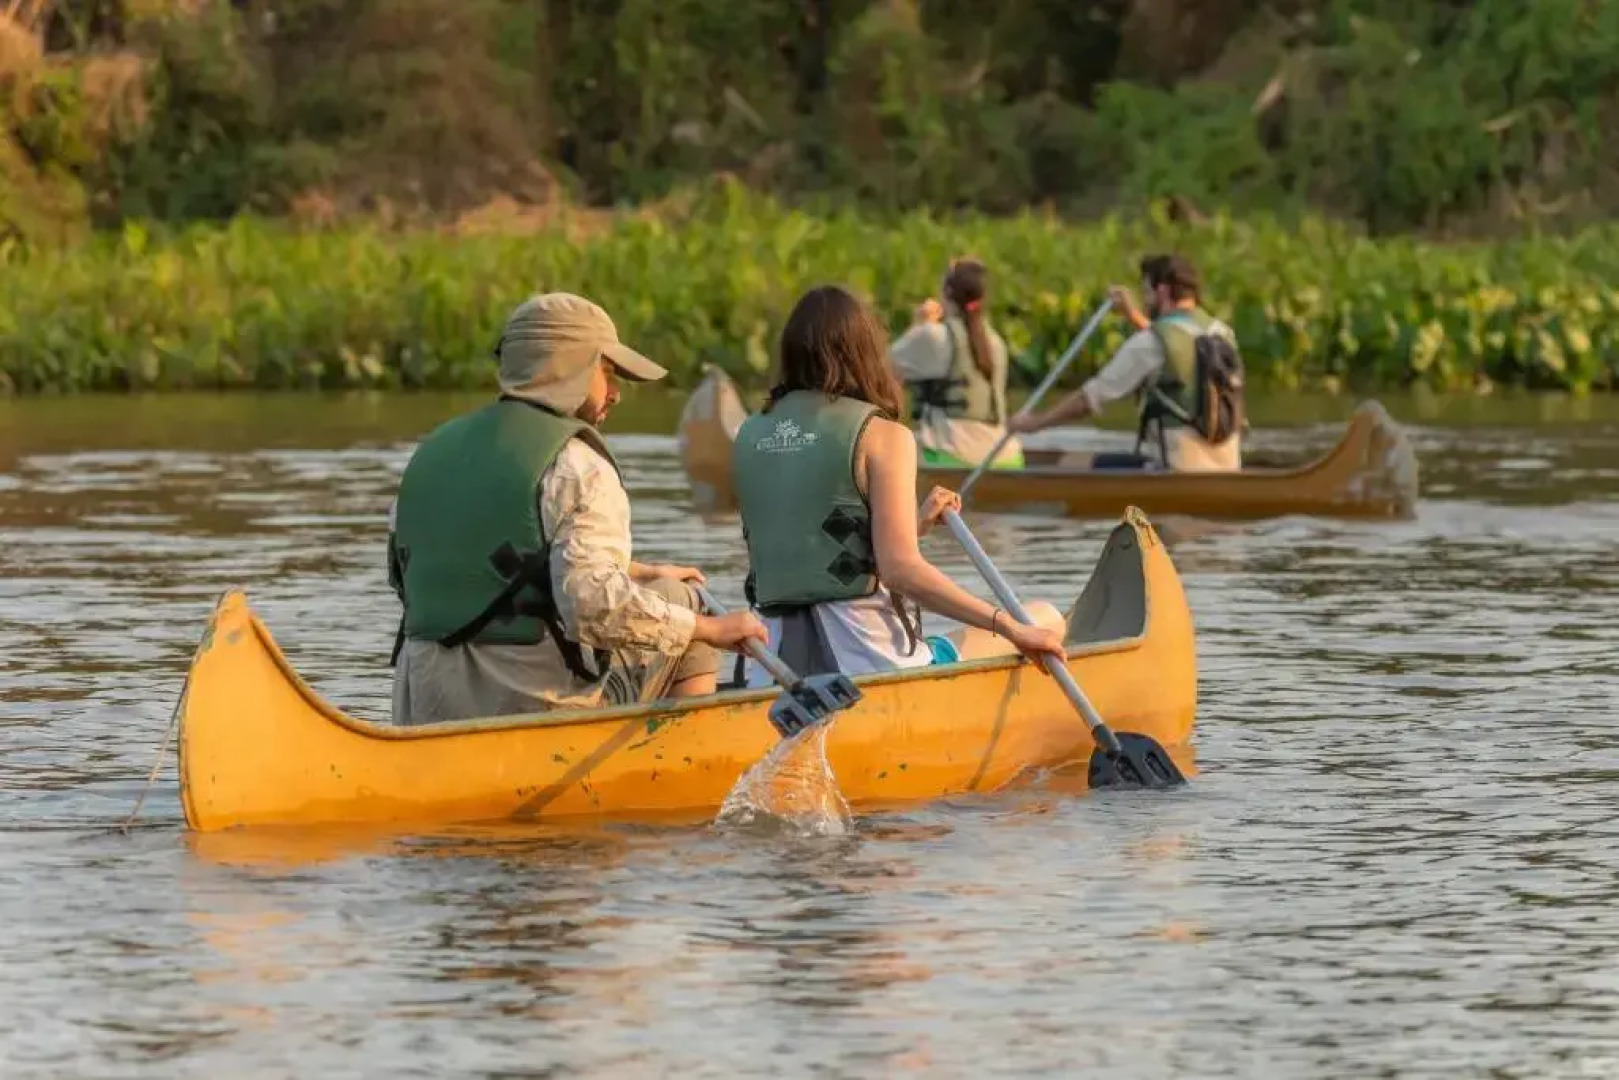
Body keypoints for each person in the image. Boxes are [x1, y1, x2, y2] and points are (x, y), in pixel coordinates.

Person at [386, 291, 767, 726]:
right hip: (530, 707)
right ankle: (678, 767)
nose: (618, 394)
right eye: (608, 372)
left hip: (425, 710)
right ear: (572, 371)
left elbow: (469, 570)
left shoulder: (432, 452)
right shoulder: (578, 464)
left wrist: (635, 571)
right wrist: (711, 631)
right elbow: (589, 604)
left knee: (663, 596)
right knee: (688, 605)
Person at [730, 284, 1068, 686]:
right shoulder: (883, 434)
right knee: (1045, 615)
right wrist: (1009, 626)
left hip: (769, 667)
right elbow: (901, 571)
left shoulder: (748, 435)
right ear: (865, 352)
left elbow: (806, 547)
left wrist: (915, 525)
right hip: (864, 660)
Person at [1007, 254, 1243, 472]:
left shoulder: (1149, 343)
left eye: (1146, 292)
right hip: (1228, 465)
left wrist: (1035, 423)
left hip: (1173, 466)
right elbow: (1175, 343)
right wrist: (1133, 316)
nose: (1145, 301)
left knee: (1073, 463)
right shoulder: (1223, 334)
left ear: (1161, 291)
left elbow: (1089, 400)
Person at [888, 257, 1023, 470]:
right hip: (1008, 458)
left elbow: (878, 369)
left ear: (947, 294)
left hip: (952, 457)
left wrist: (918, 325)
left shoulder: (932, 336)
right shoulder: (997, 342)